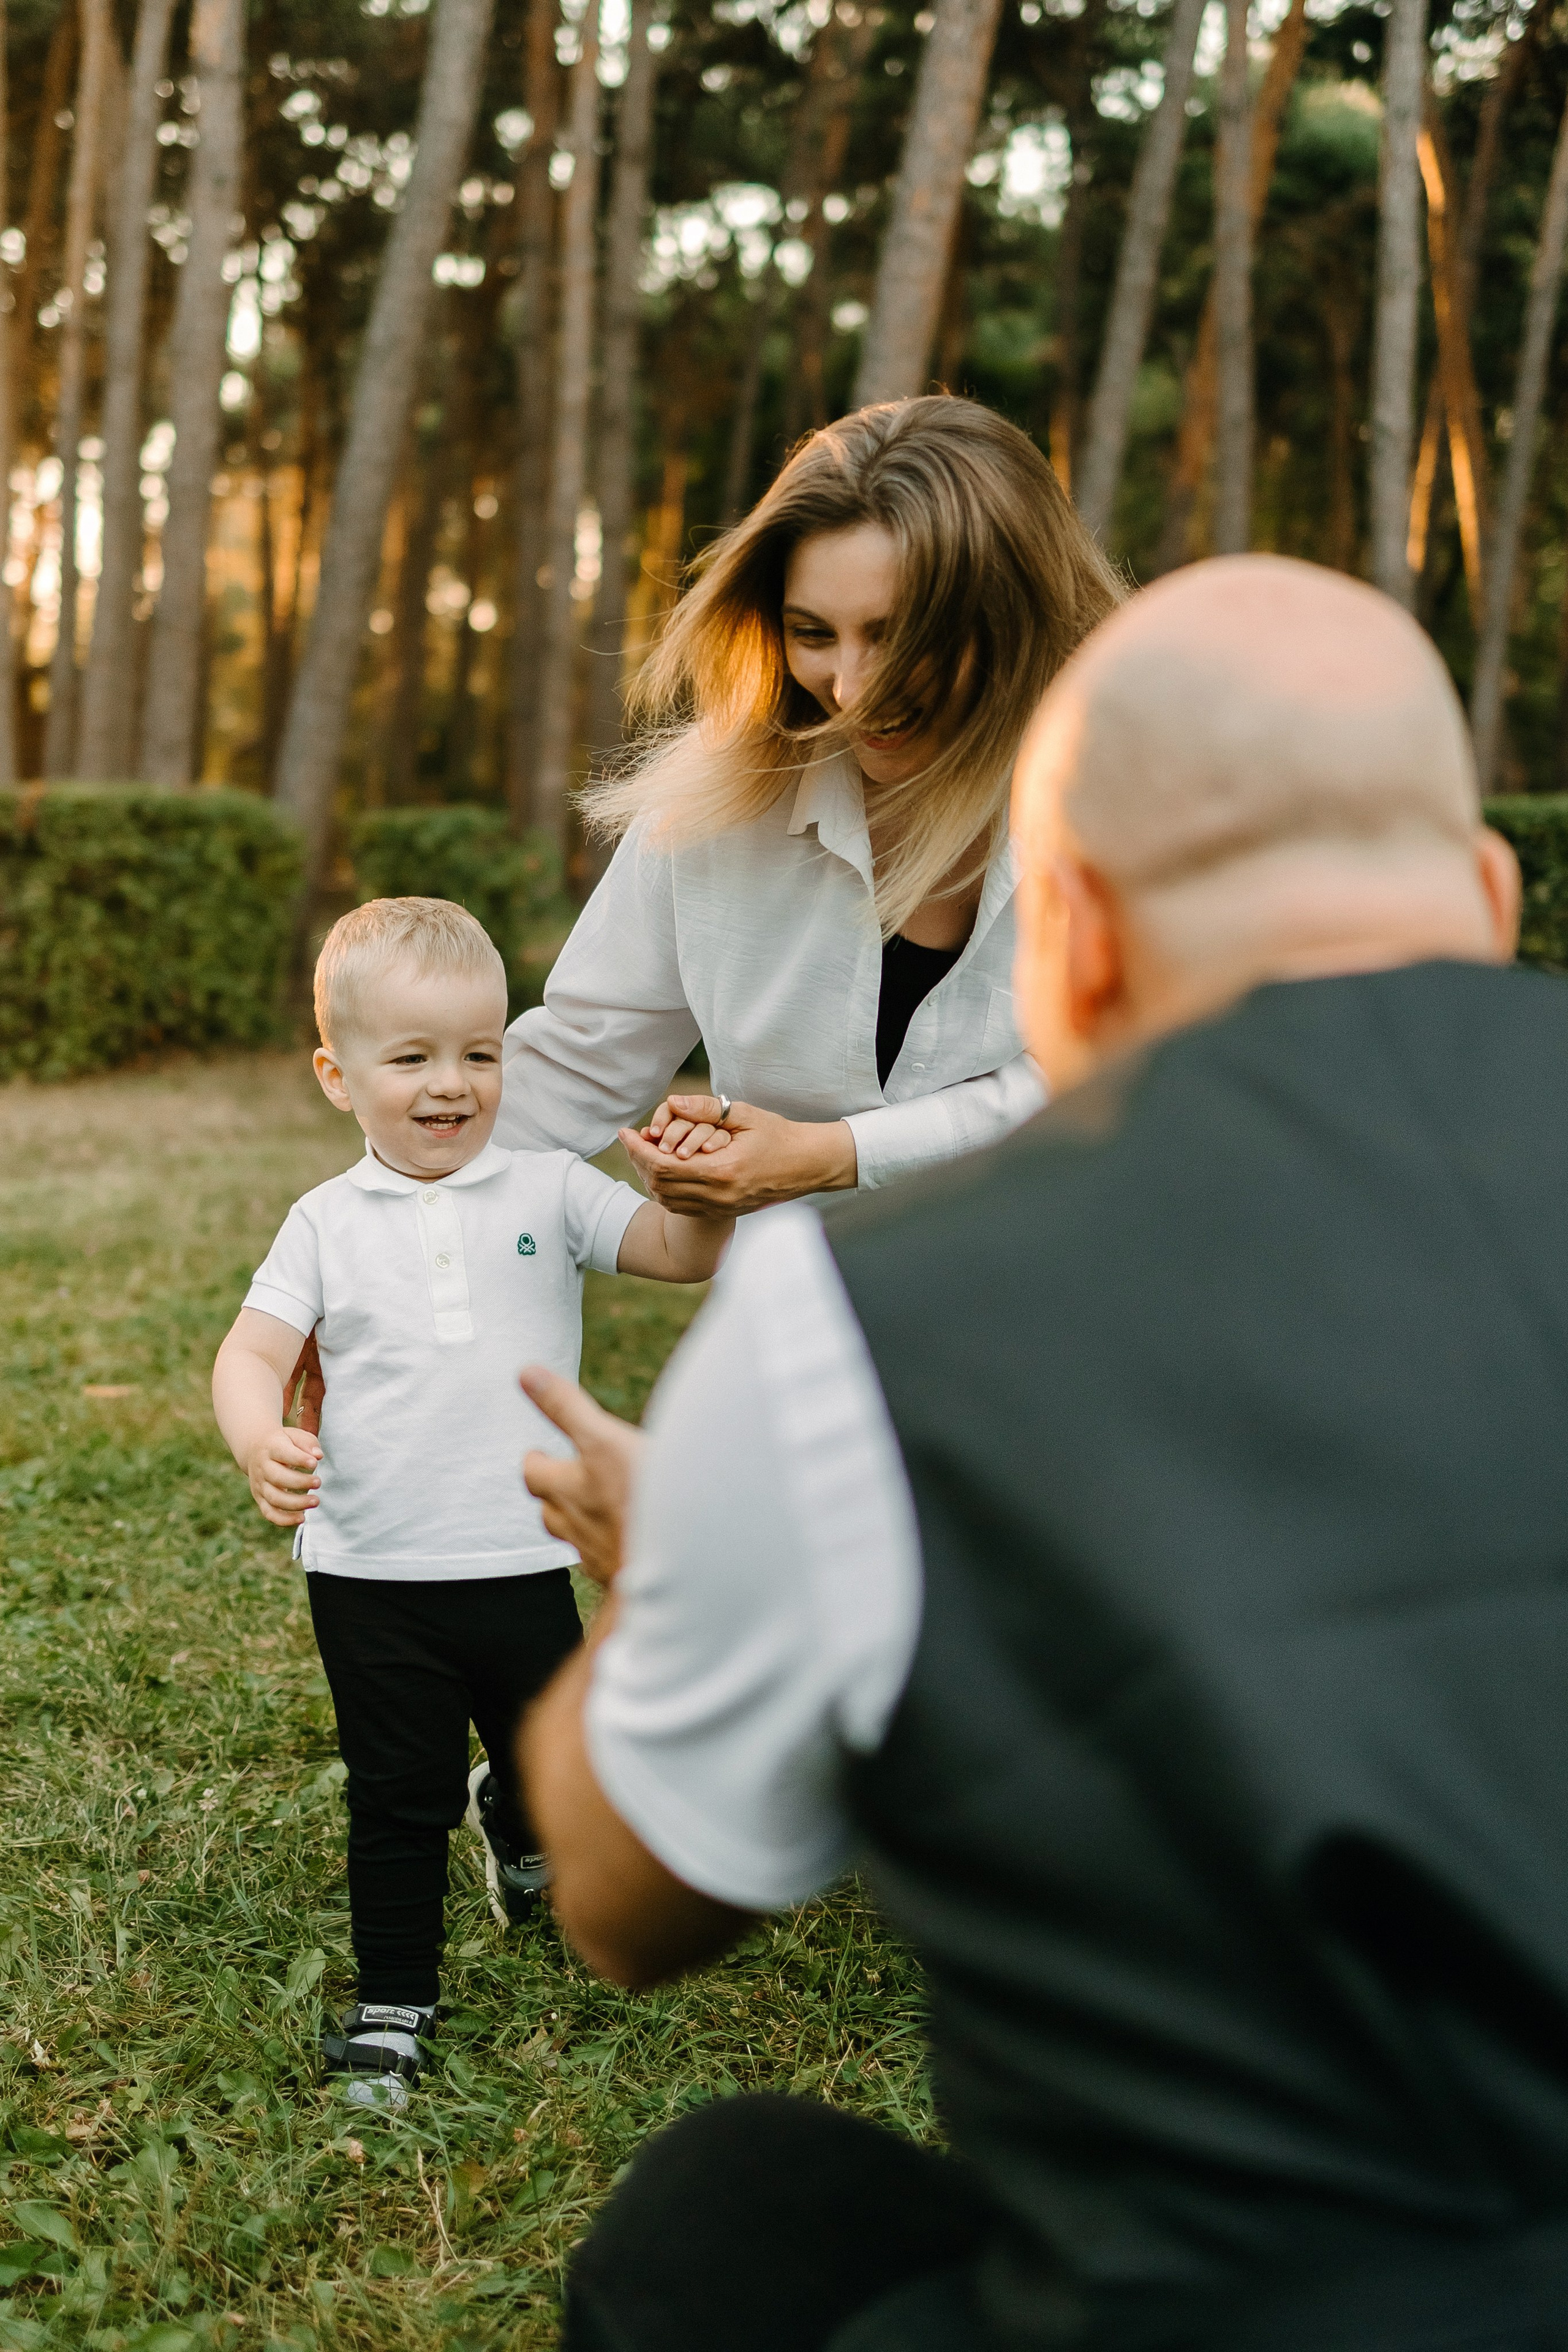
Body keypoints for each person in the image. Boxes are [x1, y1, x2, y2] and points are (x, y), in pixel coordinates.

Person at [516, 556, 1568, 2352]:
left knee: (723, 2229)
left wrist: (657, 1572)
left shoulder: (857, 1328)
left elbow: (625, 1902)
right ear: (1490, 892)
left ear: (1065, 932)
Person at [210, 899, 729, 2113]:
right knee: (399, 1793)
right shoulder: (325, 1226)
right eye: (413, 1058)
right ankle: (394, 2001)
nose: (452, 1085)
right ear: (339, 1078)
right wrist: (258, 1437)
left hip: (522, 1551)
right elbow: (249, 1352)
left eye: (480, 1054)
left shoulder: (546, 1189)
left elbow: (671, 1252)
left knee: (554, 1763)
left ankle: (522, 1821)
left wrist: (691, 1191)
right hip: (372, 1572)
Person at [495, 393, 1122, 1214]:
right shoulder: (711, 803)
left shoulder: (1121, 806)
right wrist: (356, 1249)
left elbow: (1120, 1075)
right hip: (797, 1319)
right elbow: (574, 1070)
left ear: (1009, 619)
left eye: (897, 635)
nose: (852, 690)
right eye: (813, 633)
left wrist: (835, 1155)